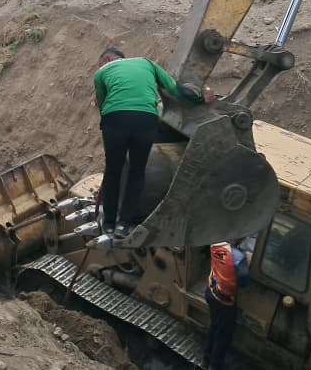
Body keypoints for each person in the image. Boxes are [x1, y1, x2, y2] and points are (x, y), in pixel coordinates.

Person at [92, 48, 214, 237]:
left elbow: (102, 103)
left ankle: (108, 224)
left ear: (107, 60)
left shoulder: (101, 73)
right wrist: (201, 98)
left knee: (113, 171)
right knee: (137, 172)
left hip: (115, 121)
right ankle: (125, 224)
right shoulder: (147, 62)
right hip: (146, 119)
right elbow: (174, 89)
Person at [204, 239, 252, 369]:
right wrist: (247, 260)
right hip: (224, 301)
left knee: (214, 325)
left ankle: (207, 355)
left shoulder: (217, 245)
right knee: (223, 334)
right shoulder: (239, 258)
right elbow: (244, 281)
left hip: (211, 291)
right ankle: (214, 365)